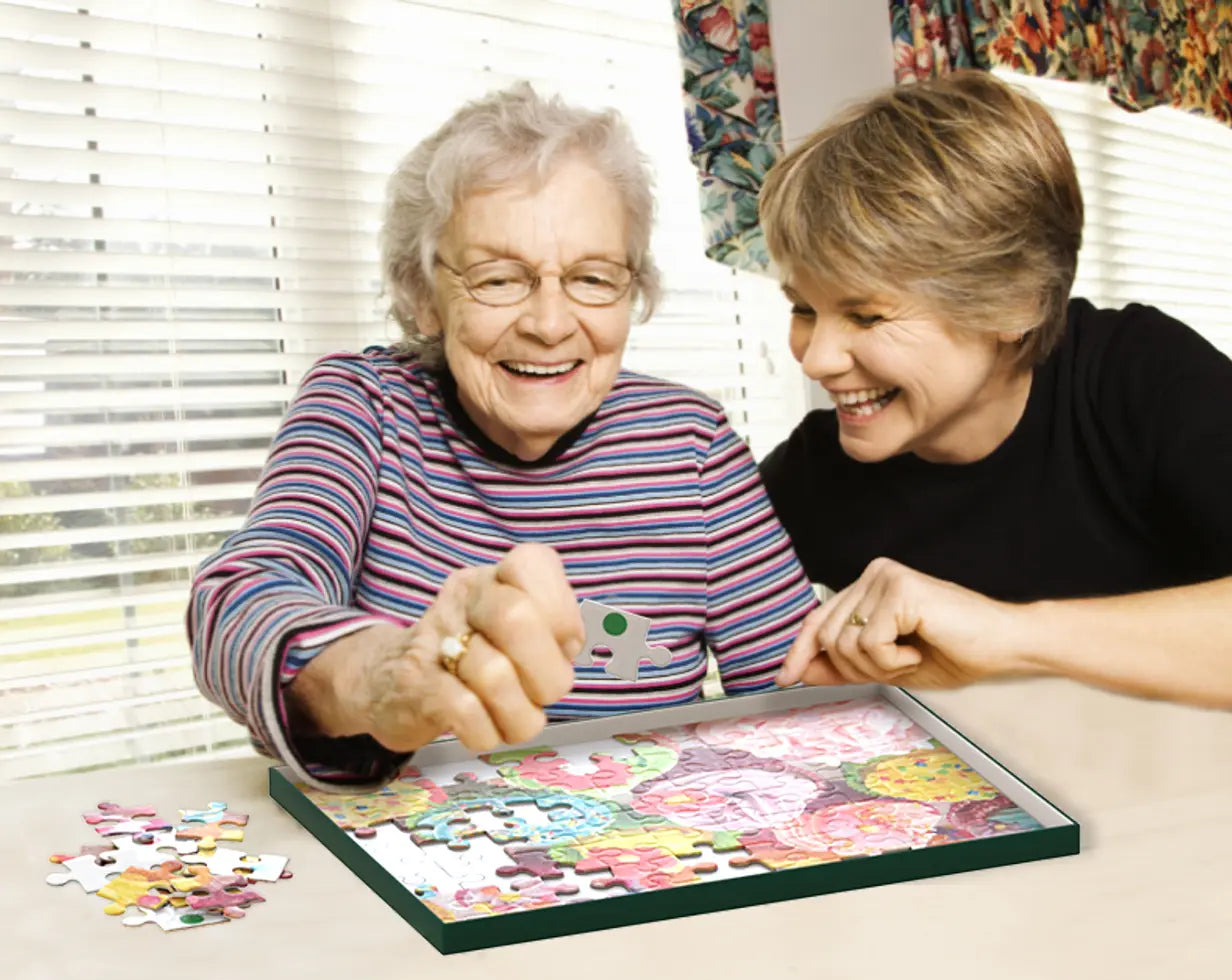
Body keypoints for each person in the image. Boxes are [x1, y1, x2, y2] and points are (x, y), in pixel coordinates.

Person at [187, 84, 818, 788]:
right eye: (498, 279)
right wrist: (384, 677)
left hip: (649, 862)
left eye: (591, 278)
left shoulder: (692, 444)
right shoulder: (363, 407)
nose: (549, 324)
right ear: (423, 294)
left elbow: (801, 702)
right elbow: (239, 600)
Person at [757, 70, 1232, 709]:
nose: (816, 360)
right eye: (803, 308)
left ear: (1017, 302)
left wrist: (1010, 635)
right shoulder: (813, 472)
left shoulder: (1141, 377)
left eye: (866, 316)